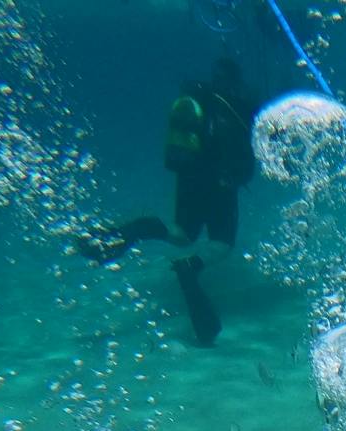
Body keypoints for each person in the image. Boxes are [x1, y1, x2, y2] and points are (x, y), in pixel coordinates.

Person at [75, 56, 260, 345]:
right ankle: (190, 267)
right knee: (222, 245)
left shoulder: (198, 99)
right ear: (235, 79)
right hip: (221, 184)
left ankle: (131, 231)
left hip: (189, 178)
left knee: (182, 233)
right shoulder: (240, 105)